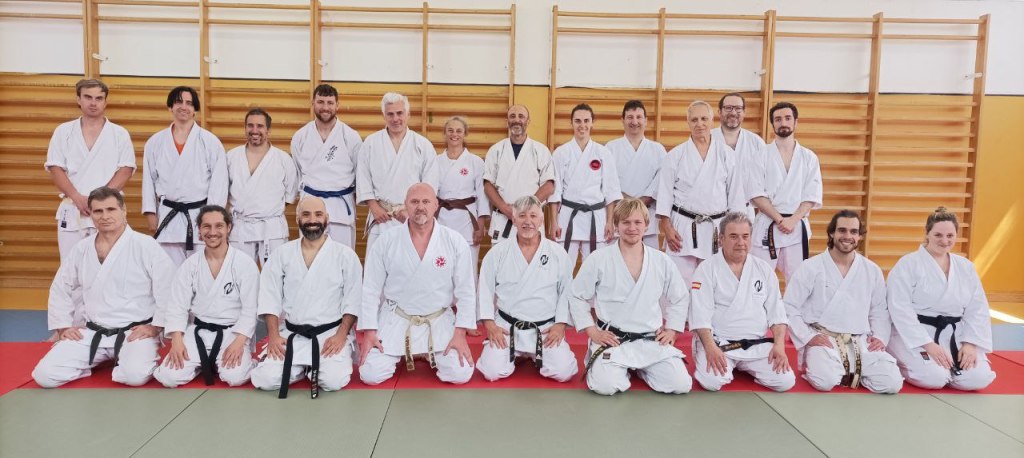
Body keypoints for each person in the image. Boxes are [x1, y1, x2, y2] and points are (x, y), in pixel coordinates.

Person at [32, 187, 174, 388]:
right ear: (90, 214)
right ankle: (100, 360)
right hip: (92, 332)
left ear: (124, 210)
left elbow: (167, 288)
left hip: (134, 333)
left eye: (111, 209)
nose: (105, 216)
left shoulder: (145, 245)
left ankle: (125, 358)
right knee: (45, 375)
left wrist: (155, 327)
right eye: (98, 211)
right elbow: (61, 287)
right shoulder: (82, 248)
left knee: (134, 376)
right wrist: (63, 326)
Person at [570, 198, 691, 396]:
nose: (632, 228)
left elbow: (680, 297)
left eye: (637, 222)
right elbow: (576, 296)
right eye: (625, 222)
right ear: (616, 225)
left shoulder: (661, 260)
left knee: (680, 384)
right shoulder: (599, 259)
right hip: (613, 340)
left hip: (650, 339)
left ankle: (643, 369)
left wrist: (672, 330)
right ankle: (620, 368)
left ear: (646, 225)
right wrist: (593, 332)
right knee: (605, 386)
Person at [358, 183, 476, 386]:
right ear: (406, 205)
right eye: (414, 202)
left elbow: (466, 292)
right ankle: (408, 351)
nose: (420, 207)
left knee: (460, 373)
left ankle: (425, 352)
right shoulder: (386, 240)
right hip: (397, 318)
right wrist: (369, 332)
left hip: (438, 319)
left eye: (426, 201)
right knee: (370, 374)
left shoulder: (454, 241)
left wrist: (460, 333)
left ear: (436, 205)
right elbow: (370, 290)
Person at [249, 197, 363, 399]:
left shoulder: (345, 255)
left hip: (329, 335)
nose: (312, 220)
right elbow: (269, 297)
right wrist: (273, 336)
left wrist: (341, 335)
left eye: (318, 214)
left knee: (333, 381)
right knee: (264, 380)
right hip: (291, 334)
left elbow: (352, 300)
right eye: (306, 214)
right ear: (297, 219)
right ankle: (302, 367)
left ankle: (307, 366)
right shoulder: (281, 254)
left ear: (327, 218)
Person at [783, 210, 902, 393]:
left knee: (892, 382)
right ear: (832, 233)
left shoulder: (871, 270)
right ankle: (844, 371)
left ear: (860, 236)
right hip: (824, 341)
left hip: (860, 341)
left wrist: (879, 336)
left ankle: (851, 371)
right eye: (842, 230)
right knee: (825, 381)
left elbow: (879, 309)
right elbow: (789, 306)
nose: (848, 236)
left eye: (853, 232)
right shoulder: (811, 267)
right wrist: (808, 337)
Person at [886, 207, 996, 391]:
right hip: (916, 334)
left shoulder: (965, 267)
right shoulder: (908, 264)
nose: (944, 241)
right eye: (938, 235)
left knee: (977, 379)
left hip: (954, 333)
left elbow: (978, 309)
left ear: (956, 235)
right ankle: (898, 361)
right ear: (927, 233)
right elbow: (899, 309)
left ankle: (951, 368)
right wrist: (928, 344)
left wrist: (970, 344)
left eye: (950, 236)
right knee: (934, 378)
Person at [153, 206, 259, 387]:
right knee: (169, 377)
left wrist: (239, 342)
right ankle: (201, 364)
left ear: (229, 228)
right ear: (199, 230)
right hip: (196, 333)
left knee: (234, 377)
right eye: (206, 226)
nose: (212, 232)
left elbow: (251, 309)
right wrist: (177, 341)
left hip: (232, 333)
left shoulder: (244, 264)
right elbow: (177, 306)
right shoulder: (190, 265)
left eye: (219, 226)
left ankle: (249, 363)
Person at [476, 196, 577, 382]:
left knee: (564, 372)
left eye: (533, 215)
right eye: (522, 216)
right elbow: (484, 291)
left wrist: (560, 324)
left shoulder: (557, 253)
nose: (527, 221)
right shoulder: (498, 252)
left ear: (541, 220)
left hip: (545, 328)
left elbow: (566, 291)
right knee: (491, 372)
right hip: (507, 327)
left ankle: (531, 354)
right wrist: (490, 325)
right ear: (514, 220)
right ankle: (519, 354)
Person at [689, 212, 794, 392]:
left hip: (755, 345)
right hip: (719, 344)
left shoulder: (763, 269)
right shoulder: (706, 269)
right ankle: (725, 363)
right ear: (721, 239)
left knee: (785, 381)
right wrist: (710, 347)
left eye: (745, 236)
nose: (740, 242)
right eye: (733, 236)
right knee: (712, 382)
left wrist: (779, 345)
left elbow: (777, 313)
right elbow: (700, 315)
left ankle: (746, 366)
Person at [657, 100, 746, 284]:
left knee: (714, 283)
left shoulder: (727, 154)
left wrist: (733, 234)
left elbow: (736, 198)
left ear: (712, 121)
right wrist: (667, 228)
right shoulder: (675, 155)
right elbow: (664, 196)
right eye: (694, 120)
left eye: (704, 119)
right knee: (678, 284)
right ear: (688, 122)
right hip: (682, 228)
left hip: (716, 229)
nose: (700, 124)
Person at [45, 78, 135, 260]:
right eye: (88, 97)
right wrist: (77, 197)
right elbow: (55, 168)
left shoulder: (119, 134)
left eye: (99, 98)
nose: (93, 103)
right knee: (71, 265)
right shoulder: (63, 131)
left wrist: (99, 200)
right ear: (78, 99)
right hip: (73, 207)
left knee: (111, 263)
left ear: (105, 102)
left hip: (108, 208)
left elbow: (125, 169)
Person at [142, 86, 229, 266]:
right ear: (170, 107)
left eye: (189, 103)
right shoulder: (155, 142)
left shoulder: (210, 142)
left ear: (195, 109)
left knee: (201, 270)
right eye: (179, 102)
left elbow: (219, 183)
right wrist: (151, 213)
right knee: (168, 272)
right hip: (168, 217)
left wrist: (212, 219)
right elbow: (148, 180)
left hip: (199, 216)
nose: (184, 107)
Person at [748, 102, 822, 281]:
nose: (783, 123)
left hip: (796, 226)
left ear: (796, 122)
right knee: (758, 279)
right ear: (772, 124)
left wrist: (793, 220)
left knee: (798, 281)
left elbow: (811, 195)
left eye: (788, 118)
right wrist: (780, 220)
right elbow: (756, 194)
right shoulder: (760, 155)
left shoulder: (809, 157)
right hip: (767, 224)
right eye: (778, 119)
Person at [356, 92, 440, 251]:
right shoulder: (371, 143)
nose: (395, 119)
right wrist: (374, 207)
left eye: (400, 113)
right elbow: (363, 177)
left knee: (409, 262)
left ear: (408, 114)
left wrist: (411, 210)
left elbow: (430, 185)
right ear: (384, 116)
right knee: (377, 263)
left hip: (411, 217)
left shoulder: (423, 145)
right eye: (390, 114)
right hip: (380, 217)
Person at [291, 84, 364, 247]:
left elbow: (359, 174)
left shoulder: (350, 136)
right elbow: (298, 173)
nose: (325, 107)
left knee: (342, 256)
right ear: (313, 103)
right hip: (310, 206)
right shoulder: (300, 136)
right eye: (320, 102)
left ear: (337, 105)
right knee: (309, 254)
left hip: (341, 206)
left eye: (330, 103)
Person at [550, 103, 623, 262]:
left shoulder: (603, 153)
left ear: (592, 123)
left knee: (595, 267)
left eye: (586, 121)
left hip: (596, 217)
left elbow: (610, 192)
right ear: (571, 123)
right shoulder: (561, 153)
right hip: (568, 216)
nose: (582, 125)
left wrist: (610, 221)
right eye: (577, 121)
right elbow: (555, 192)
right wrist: (554, 222)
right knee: (563, 266)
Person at [226, 108, 298, 265]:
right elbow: (223, 192)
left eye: (260, 126)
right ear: (245, 128)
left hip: (271, 229)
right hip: (241, 228)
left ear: (268, 130)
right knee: (240, 273)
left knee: (275, 275)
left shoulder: (283, 159)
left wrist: (265, 209)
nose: (254, 130)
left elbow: (289, 195)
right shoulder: (231, 157)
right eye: (250, 125)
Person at [482, 105, 555, 243]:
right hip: (503, 218)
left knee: (532, 255)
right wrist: (506, 209)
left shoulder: (540, 150)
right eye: (512, 116)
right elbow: (487, 185)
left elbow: (549, 185)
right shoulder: (496, 150)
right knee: (501, 256)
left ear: (528, 121)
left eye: (521, 116)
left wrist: (525, 209)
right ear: (507, 121)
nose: (516, 120)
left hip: (531, 219)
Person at [604, 100, 666, 248]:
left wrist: (640, 203)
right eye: (630, 117)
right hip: (619, 215)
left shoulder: (658, 150)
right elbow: (608, 183)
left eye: (639, 117)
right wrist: (627, 205)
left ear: (646, 120)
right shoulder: (610, 148)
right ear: (623, 120)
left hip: (647, 215)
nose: (635, 121)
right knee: (616, 259)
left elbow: (661, 183)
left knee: (650, 259)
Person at [434, 116, 489, 269]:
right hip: (442, 218)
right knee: (442, 266)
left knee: (468, 267)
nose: (454, 134)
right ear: (444, 133)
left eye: (459, 131)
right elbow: (431, 193)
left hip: (467, 221)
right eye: (450, 130)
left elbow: (482, 195)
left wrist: (480, 225)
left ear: (465, 134)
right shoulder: (436, 161)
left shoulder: (476, 162)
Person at [711, 92, 765, 221]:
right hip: (713, 211)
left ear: (744, 112)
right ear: (719, 112)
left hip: (745, 210)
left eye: (738, 108)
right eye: (728, 108)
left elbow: (763, 184)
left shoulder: (756, 143)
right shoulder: (708, 139)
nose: (733, 112)